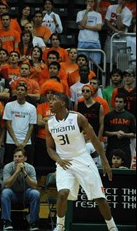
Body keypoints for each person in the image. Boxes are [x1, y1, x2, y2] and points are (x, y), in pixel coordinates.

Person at [45, 92, 118, 231]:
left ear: (62, 103)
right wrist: (58, 160)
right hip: (64, 162)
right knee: (62, 194)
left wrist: (105, 161)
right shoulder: (49, 123)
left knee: (99, 197)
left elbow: (95, 139)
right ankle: (60, 226)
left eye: (53, 100)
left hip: (82, 159)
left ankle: (112, 227)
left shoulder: (77, 118)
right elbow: (49, 148)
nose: (50, 102)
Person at [0, 148, 40, 231]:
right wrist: (17, 172)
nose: (17, 158)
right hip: (12, 193)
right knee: (5, 192)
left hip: (26, 193)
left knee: (35, 193)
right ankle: (6, 222)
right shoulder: (8, 167)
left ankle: (33, 222)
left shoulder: (30, 168)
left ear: (25, 158)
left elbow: (34, 185)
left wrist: (24, 173)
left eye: (19, 156)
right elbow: (6, 184)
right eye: (15, 156)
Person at [3, 82, 37, 164]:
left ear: (26, 93)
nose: (19, 91)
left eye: (22, 90)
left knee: (26, 165)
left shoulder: (32, 108)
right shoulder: (9, 105)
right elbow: (8, 124)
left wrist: (25, 142)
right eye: (18, 90)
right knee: (10, 165)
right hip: (11, 141)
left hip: (26, 142)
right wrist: (15, 140)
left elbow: (31, 126)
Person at [103, 95, 136, 167]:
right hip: (112, 146)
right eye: (116, 101)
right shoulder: (109, 116)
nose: (118, 104)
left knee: (125, 168)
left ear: (125, 103)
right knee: (110, 167)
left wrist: (124, 135)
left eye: (120, 102)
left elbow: (133, 134)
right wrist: (116, 133)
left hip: (125, 146)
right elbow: (104, 132)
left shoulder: (130, 116)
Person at [76, 0, 103, 65]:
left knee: (95, 65)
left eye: (92, 1)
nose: (90, 3)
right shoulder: (80, 13)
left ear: (94, 3)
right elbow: (82, 23)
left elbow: (99, 28)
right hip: (83, 41)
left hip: (95, 42)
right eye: (88, 1)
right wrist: (86, 12)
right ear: (86, 2)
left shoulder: (98, 15)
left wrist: (84, 26)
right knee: (82, 63)